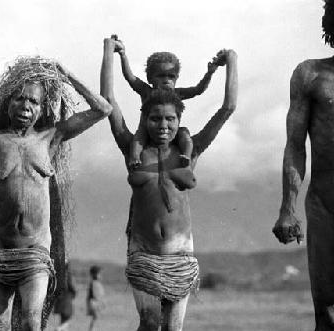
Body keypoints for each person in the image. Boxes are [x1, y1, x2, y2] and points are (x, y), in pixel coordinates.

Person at [0, 24, 112, 331]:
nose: (25, 106)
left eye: (33, 102)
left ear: (41, 110)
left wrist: (66, 76)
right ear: (7, 103)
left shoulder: (51, 139)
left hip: (35, 254)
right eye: (19, 99)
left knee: (30, 323)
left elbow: (103, 108)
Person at [101, 36, 237, 330]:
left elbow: (227, 108)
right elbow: (108, 102)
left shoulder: (192, 149)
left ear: (179, 121)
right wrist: (108, 52)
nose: (163, 125)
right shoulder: (133, 149)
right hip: (143, 252)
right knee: (149, 323)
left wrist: (231, 62)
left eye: (170, 119)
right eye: (155, 119)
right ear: (145, 119)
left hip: (180, 257)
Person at [273, 1, 334, 329]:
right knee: (327, 315)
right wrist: (288, 208)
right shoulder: (310, 74)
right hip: (324, 208)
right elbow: (295, 145)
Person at [112, 35, 223, 169]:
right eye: (161, 76)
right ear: (150, 78)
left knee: (185, 135)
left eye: (171, 76)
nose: (166, 80)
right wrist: (122, 54)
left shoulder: (177, 93)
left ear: (176, 78)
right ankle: (135, 159)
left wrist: (210, 72)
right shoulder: (147, 91)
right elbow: (130, 77)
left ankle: (186, 156)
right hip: (148, 130)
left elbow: (198, 90)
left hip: (171, 132)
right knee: (138, 138)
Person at [53, 262, 76, 331]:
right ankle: (58, 329)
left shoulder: (57, 275)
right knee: (67, 320)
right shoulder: (68, 275)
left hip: (59, 300)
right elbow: (71, 286)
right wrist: (74, 292)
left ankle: (60, 328)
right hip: (67, 299)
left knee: (63, 320)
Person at [86, 265, 105, 331]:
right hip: (94, 304)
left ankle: (92, 329)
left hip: (94, 303)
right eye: (99, 274)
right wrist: (100, 303)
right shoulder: (94, 283)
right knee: (95, 318)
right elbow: (96, 295)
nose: (101, 275)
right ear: (95, 274)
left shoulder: (95, 283)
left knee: (95, 319)